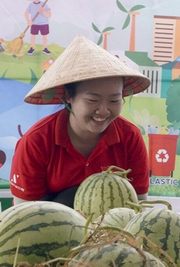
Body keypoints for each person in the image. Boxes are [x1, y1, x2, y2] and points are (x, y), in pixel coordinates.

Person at [9, 34, 151, 207]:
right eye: (92, 100)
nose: (103, 110)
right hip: (50, 230)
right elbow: (25, 214)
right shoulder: (36, 141)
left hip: (114, 231)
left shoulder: (131, 137)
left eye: (114, 100)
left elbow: (140, 206)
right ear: (69, 96)